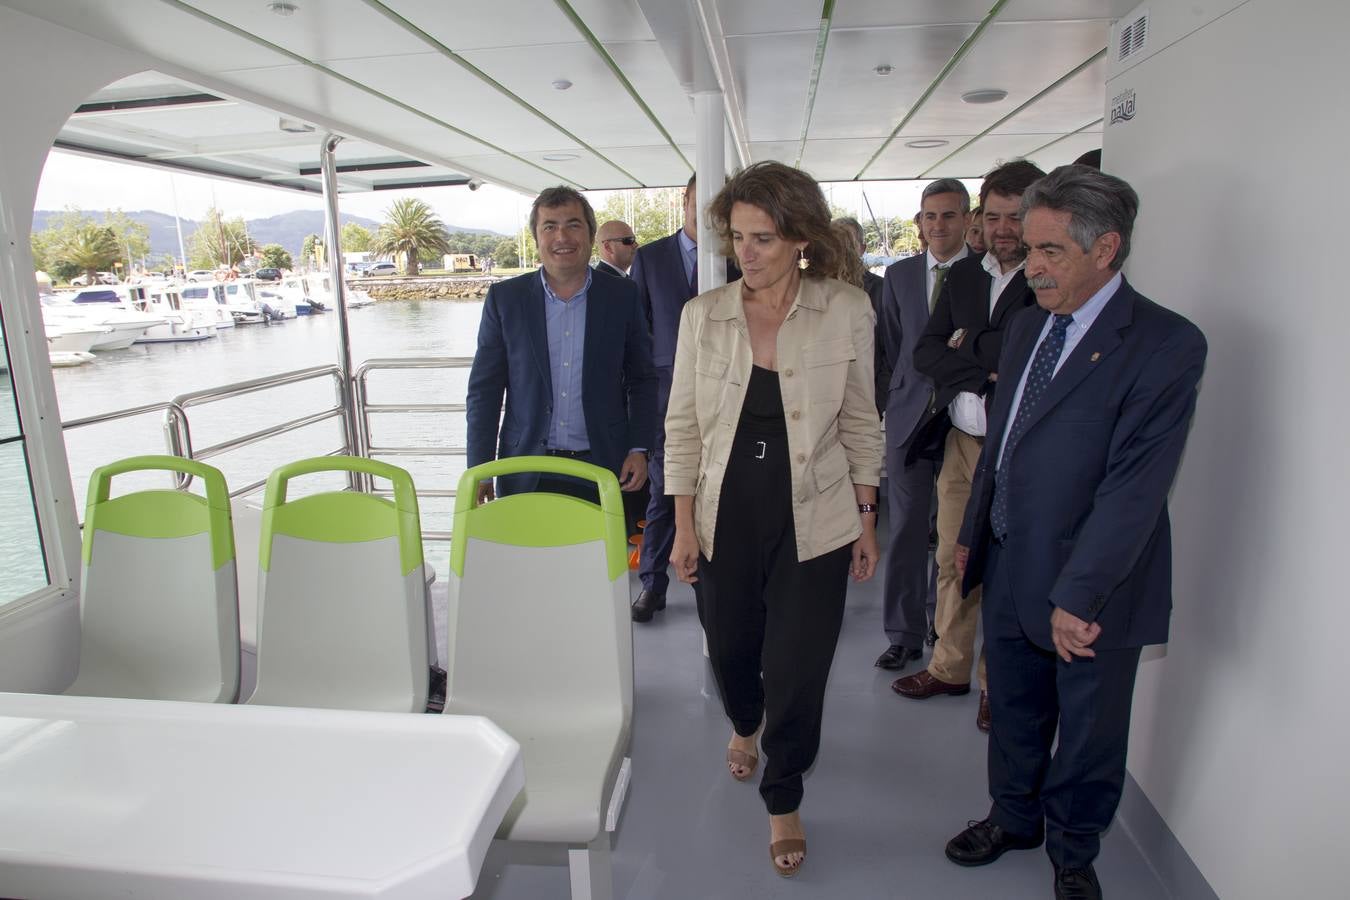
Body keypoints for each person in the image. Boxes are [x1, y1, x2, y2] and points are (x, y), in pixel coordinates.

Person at [943, 166, 1206, 900]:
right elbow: (1002, 445)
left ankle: (1074, 850)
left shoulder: (1164, 345)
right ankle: (1013, 817)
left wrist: (1079, 596)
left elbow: (1135, 488)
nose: (1032, 268)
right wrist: (972, 533)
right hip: (1008, 557)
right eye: (1028, 249)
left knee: (1089, 732)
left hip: (1095, 586)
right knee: (1016, 712)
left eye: (1051, 251)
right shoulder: (1028, 326)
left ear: (1106, 248)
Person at [665, 161, 882, 878]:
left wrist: (866, 515)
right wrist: (685, 526)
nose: (744, 252)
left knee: (798, 666)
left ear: (799, 239)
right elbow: (683, 430)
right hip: (727, 512)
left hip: (813, 518)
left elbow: (860, 418)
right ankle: (743, 721)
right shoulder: (705, 316)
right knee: (731, 652)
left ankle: (783, 792)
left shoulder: (846, 309)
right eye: (737, 237)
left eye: (761, 238)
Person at [892, 160, 1044, 732]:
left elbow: (1024, 354)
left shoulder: (1047, 277)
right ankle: (950, 668)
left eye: (1016, 216)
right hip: (961, 440)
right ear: (982, 215)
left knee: (1005, 570)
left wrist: (969, 345)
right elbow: (925, 353)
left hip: (1016, 450)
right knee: (951, 560)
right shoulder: (963, 278)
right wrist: (985, 366)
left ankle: (995, 685)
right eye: (996, 215)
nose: (1005, 228)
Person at [465, 186, 656, 504]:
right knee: (525, 554)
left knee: (602, 555)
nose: (562, 237)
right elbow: (484, 391)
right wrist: (481, 469)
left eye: (573, 224)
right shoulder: (506, 300)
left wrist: (639, 447)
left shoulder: (622, 295)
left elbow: (642, 378)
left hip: (606, 467)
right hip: (525, 468)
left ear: (591, 234)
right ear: (536, 237)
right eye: (549, 226)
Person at [629, 174, 738, 623]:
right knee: (663, 491)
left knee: (722, 493)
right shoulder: (649, 258)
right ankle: (652, 584)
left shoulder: (737, 259)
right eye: (700, 201)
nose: (707, 212)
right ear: (685, 201)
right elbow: (637, 332)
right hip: (665, 398)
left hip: (727, 397)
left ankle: (715, 588)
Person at [873, 177, 971, 672]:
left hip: (963, 421)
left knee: (952, 535)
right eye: (929, 216)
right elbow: (892, 345)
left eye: (949, 215)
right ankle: (904, 633)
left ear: (967, 220)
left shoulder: (984, 274)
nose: (938, 225)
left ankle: (943, 624)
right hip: (909, 418)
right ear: (919, 221)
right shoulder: (900, 275)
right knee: (908, 529)